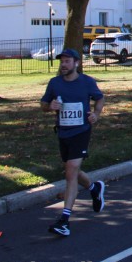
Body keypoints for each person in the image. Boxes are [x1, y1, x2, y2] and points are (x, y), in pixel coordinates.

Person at [40, 48, 107, 237]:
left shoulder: (87, 82)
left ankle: (64, 221)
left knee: (70, 173)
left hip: (81, 131)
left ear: (76, 63)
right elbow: (43, 104)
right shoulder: (54, 83)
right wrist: (49, 106)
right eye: (62, 61)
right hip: (63, 132)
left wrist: (96, 114)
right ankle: (94, 188)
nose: (63, 65)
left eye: (67, 61)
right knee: (71, 170)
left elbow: (100, 98)